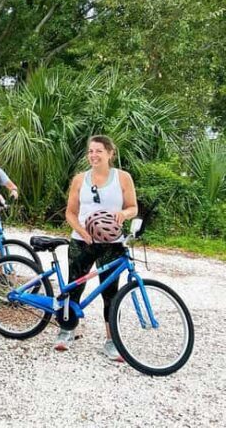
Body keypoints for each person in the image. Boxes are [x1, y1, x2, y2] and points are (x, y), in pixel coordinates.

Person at [56, 134, 138, 361]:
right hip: (82, 241)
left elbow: (133, 208)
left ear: (111, 153)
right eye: (91, 151)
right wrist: (82, 231)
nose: (94, 155)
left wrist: (123, 214)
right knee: (73, 286)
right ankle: (66, 330)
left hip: (111, 244)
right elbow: (70, 213)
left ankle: (112, 341)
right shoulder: (79, 179)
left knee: (111, 293)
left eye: (99, 151)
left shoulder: (123, 178)